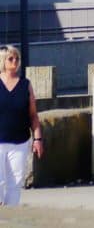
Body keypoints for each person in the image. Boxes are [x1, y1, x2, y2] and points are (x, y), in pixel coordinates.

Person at [0, 46, 43, 206]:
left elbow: (33, 115)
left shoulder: (26, 85)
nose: (15, 61)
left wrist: (38, 139)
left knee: (15, 184)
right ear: (3, 61)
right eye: (11, 58)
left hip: (19, 142)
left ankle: (10, 215)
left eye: (17, 58)